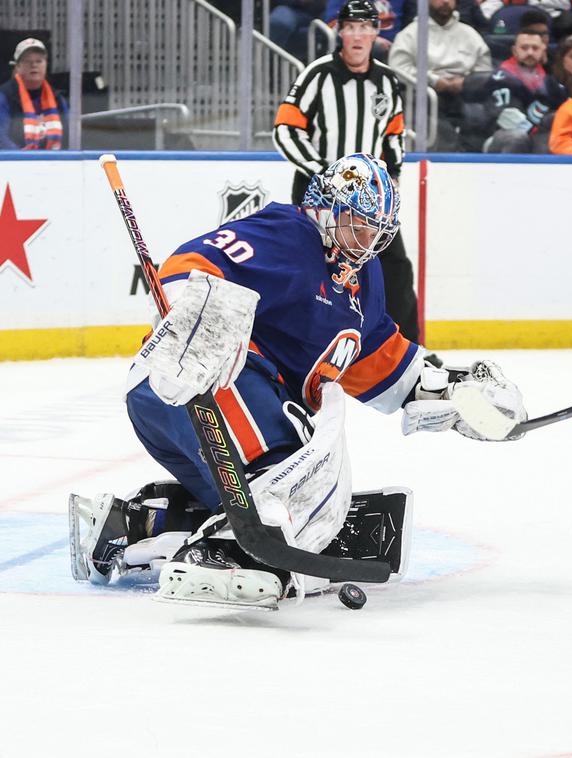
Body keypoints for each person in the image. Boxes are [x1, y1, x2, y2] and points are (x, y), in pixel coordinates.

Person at [68, 154, 526, 611]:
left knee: (277, 502)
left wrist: (453, 392)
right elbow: (193, 263)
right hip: (193, 385)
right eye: (357, 224)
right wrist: (191, 312)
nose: (366, 240)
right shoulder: (289, 234)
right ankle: (221, 554)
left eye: (376, 230)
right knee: (282, 481)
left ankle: (127, 527)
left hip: (214, 417)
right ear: (325, 207)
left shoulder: (362, 280)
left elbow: (378, 357)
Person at [274, 0, 421, 344]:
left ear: (377, 31)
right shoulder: (318, 74)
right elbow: (286, 128)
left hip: (369, 198)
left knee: (394, 267)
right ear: (339, 31)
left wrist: (394, 173)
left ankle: (407, 346)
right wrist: (322, 172)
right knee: (313, 268)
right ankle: (300, 341)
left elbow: (394, 133)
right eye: (350, 27)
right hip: (320, 194)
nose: (357, 35)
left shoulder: (386, 82)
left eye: (364, 27)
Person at [389, 0, 493, 151]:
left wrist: (466, 82)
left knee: (478, 116)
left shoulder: (469, 34)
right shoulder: (410, 34)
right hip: (426, 94)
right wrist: (434, 80)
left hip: (464, 94)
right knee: (436, 123)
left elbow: (484, 69)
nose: (445, 2)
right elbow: (399, 67)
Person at [483, 30, 567, 153]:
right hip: (500, 136)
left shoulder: (549, 82)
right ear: (514, 51)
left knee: (550, 141)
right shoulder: (501, 77)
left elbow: (565, 111)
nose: (530, 52)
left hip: (537, 134)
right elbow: (507, 119)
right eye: (524, 48)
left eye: (535, 48)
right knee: (517, 138)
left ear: (543, 51)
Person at [0, 38, 67, 151]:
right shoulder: (5, 97)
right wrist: (25, 159)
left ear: (46, 64)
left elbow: (70, 137)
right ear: (18, 67)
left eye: (39, 61)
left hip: (55, 164)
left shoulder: (58, 99)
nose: (34, 65)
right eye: (27, 61)